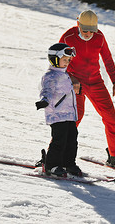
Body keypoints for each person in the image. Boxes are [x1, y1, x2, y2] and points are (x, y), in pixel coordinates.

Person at [59, 10, 115, 171]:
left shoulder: (99, 37)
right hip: (75, 82)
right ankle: (56, 155)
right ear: (78, 24)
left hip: (95, 82)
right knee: (74, 119)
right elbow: (58, 61)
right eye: (84, 30)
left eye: (91, 31)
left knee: (111, 117)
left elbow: (107, 58)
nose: (88, 34)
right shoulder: (68, 38)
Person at [35, 43, 82, 177]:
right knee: (59, 140)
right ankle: (52, 165)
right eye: (64, 60)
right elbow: (46, 91)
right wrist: (44, 100)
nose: (67, 62)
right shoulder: (50, 76)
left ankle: (68, 163)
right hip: (57, 115)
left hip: (69, 115)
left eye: (68, 60)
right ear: (55, 59)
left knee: (72, 139)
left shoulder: (65, 74)